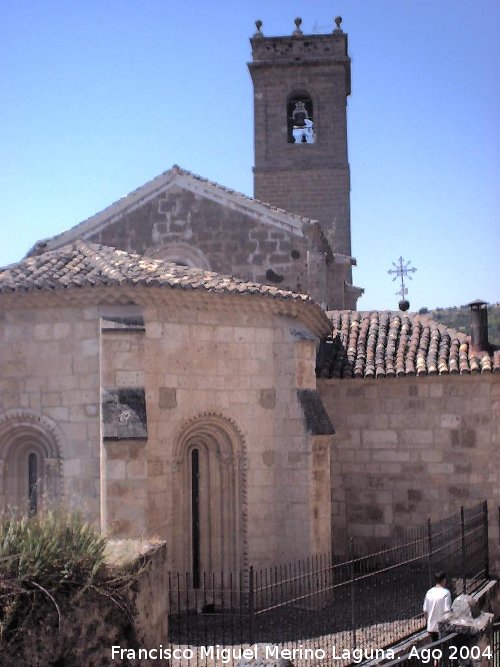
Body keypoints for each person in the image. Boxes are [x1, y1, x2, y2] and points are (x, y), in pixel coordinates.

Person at [423, 571, 452, 642]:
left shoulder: (429, 592)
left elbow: (425, 611)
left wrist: (427, 624)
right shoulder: (446, 593)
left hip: (431, 627)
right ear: (444, 580)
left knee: (434, 648)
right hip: (442, 627)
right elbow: (447, 611)